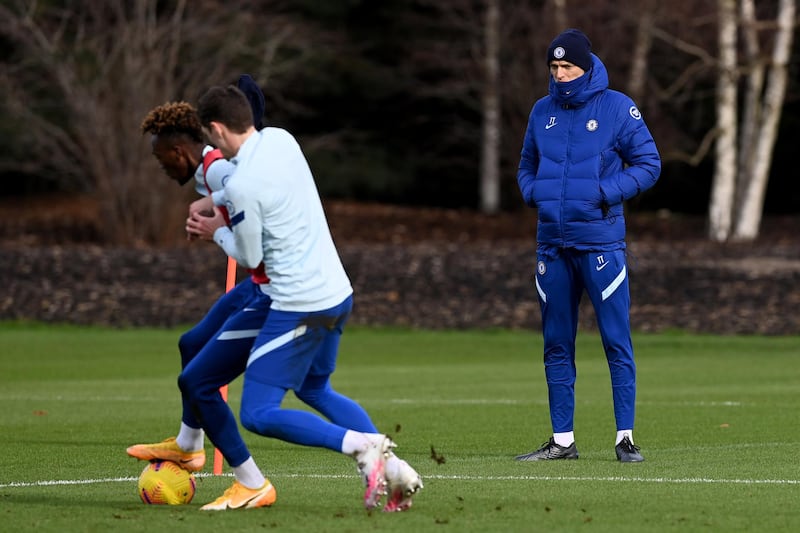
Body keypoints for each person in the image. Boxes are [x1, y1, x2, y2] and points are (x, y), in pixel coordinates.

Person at [185, 84, 423, 511]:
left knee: (257, 413)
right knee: (315, 387)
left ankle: (363, 448)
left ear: (217, 130)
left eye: (208, 136)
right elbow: (259, 190)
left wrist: (214, 231)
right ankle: (393, 469)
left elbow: (250, 256)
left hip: (299, 304)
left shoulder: (243, 188)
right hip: (337, 293)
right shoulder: (281, 139)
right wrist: (215, 200)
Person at [128, 75, 279, 511]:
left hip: (270, 285)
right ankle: (189, 445)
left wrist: (216, 222)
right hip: (257, 282)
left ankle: (250, 481)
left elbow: (248, 190)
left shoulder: (217, 167)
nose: (163, 169)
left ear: (179, 152)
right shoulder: (207, 171)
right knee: (190, 343)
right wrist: (209, 206)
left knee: (198, 379)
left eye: (163, 161)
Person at [514, 29, 660, 463]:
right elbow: (526, 164)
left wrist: (603, 192)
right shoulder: (542, 111)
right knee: (556, 344)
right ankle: (562, 442)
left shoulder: (617, 107)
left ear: (586, 65)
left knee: (616, 341)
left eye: (567, 66)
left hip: (600, 245)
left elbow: (649, 164)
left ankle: (625, 439)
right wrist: (533, 192)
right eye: (554, 67)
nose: (560, 74)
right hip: (552, 247)